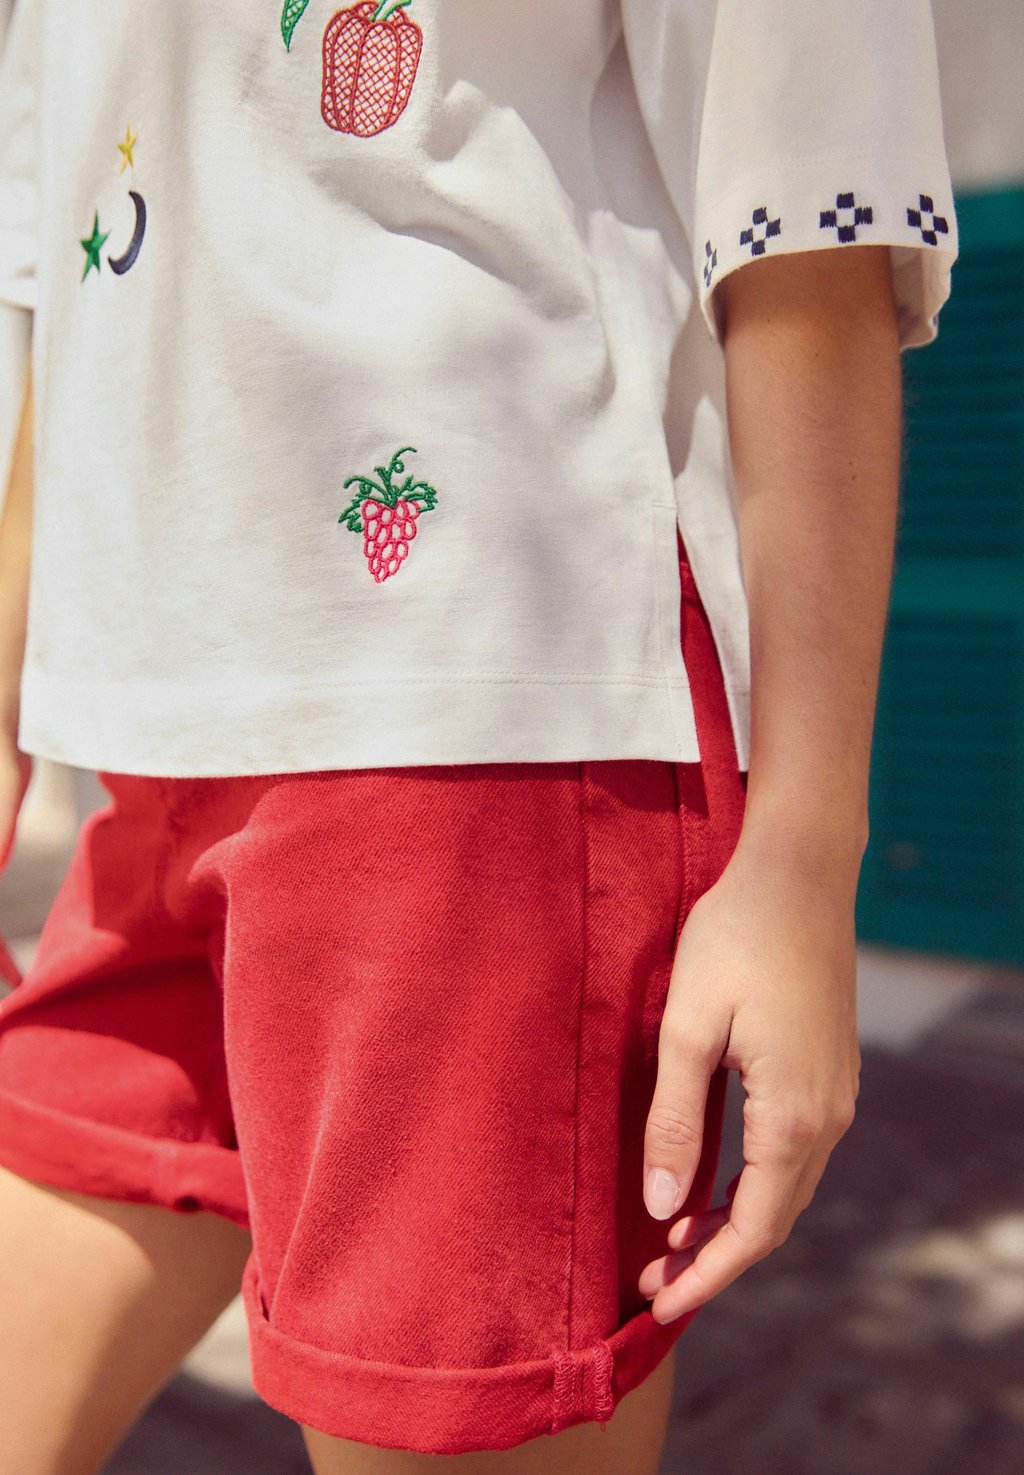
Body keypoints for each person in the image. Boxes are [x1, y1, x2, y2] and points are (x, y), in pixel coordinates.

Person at [0, 0, 957, 1471]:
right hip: (155, 735)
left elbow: (805, 217)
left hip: (472, 748)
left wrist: (805, 853)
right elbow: (62, 263)